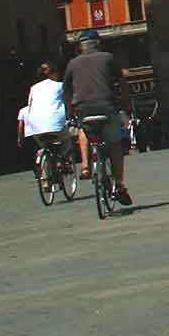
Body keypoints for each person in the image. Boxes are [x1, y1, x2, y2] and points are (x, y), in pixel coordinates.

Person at [64, 32, 134, 206]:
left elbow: (66, 92)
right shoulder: (108, 58)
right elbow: (122, 83)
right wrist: (126, 107)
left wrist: (70, 113)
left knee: (85, 130)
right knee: (115, 145)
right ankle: (119, 185)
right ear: (98, 44)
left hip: (83, 109)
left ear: (80, 46)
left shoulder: (72, 64)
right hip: (106, 107)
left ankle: (86, 164)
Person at [21, 62, 75, 176]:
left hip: (35, 126)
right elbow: (69, 103)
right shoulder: (60, 85)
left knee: (44, 147)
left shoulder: (33, 88)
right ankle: (62, 159)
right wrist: (71, 116)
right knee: (67, 140)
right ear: (54, 73)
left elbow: (30, 106)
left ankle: (45, 179)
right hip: (55, 124)